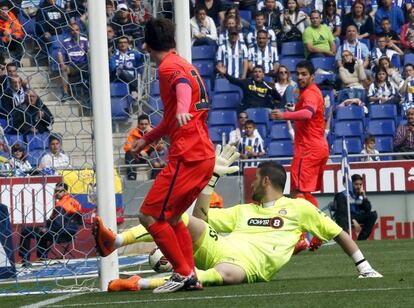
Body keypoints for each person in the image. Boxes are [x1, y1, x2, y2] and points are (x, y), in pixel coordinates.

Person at [93, 146, 382, 292]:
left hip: (246, 266)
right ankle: (116, 240)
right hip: (218, 248)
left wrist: (364, 267)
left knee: (223, 277)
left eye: (256, 179)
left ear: (266, 181)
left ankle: (136, 283)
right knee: (175, 215)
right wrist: (212, 178)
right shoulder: (244, 211)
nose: (252, 183)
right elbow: (201, 219)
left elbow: (339, 233)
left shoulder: (299, 208)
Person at [99, 17, 215, 293]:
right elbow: (173, 115)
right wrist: (147, 139)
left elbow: (182, 86)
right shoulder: (184, 62)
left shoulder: (169, 68)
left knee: (149, 215)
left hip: (188, 155)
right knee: (172, 219)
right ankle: (191, 275)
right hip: (202, 154)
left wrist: (182, 107)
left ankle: (183, 272)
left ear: (146, 46)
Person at [270, 60, 329, 251]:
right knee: (305, 193)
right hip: (316, 146)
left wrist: (284, 116)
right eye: (298, 74)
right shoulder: (308, 92)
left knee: (297, 193)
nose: (300, 77)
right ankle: (320, 233)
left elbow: (308, 114)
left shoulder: (311, 92)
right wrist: (293, 111)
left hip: (308, 149)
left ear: (312, 76)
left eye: (304, 74)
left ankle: (301, 238)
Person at [19, 182, 82, 267]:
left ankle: (25, 259)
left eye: (60, 191)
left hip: (59, 234)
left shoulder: (61, 205)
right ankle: (42, 257)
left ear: (66, 192)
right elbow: (79, 221)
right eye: (56, 191)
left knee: (25, 231)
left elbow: (58, 224)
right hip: (71, 233)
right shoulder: (75, 202)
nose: (57, 193)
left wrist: (47, 229)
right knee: (40, 230)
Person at [332, 174, 378, 240]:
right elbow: (342, 212)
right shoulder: (342, 195)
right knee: (342, 218)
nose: (359, 187)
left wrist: (364, 197)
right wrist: (353, 220)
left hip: (356, 216)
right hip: (345, 217)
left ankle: (361, 239)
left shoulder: (359, 195)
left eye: (360, 184)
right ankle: (346, 240)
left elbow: (368, 209)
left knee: (373, 215)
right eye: (356, 184)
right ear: (350, 185)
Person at [216, 64, 281, 110]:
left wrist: (274, 91)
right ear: (252, 74)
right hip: (248, 110)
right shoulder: (247, 82)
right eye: (255, 72)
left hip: (263, 110)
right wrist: (225, 74)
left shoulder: (269, 86)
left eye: (260, 72)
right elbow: (234, 81)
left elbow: (278, 99)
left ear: (263, 75)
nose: (257, 74)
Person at [57, 22, 89, 101]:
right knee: (64, 70)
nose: (75, 32)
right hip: (72, 67)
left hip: (84, 65)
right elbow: (60, 53)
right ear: (70, 32)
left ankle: (90, 92)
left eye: (77, 30)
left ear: (80, 31)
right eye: (72, 30)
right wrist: (62, 64)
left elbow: (90, 52)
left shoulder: (85, 41)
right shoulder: (66, 42)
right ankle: (65, 93)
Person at [123, 114, 154, 180]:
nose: (144, 126)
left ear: (149, 124)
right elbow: (127, 147)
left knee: (156, 153)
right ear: (138, 124)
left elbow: (160, 145)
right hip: (138, 156)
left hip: (149, 155)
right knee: (128, 153)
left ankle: (155, 177)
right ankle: (132, 177)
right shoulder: (133, 133)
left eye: (146, 124)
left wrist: (151, 132)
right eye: (142, 124)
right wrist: (140, 151)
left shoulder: (153, 132)